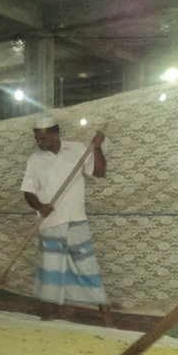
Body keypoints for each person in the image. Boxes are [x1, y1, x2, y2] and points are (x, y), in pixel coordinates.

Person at [21, 115, 112, 325]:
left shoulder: (78, 149)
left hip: (76, 218)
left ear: (56, 135)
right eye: (37, 139)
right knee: (51, 268)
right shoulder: (35, 160)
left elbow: (99, 172)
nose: (39, 143)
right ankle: (50, 310)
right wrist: (39, 206)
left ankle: (104, 309)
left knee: (87, 265)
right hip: (51, 222)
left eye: (43, 138)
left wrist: (97, 147)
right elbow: (28, 191)